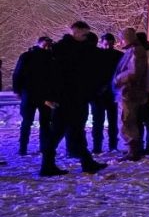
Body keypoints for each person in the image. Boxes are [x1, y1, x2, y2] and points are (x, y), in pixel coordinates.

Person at [41, 21, 108, 176]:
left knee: (71, 131)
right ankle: (50, 165)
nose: (86, 37)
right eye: (84, 34)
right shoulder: (65, 50)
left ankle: (85, 162)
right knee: (62, 131)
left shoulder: (65, 49)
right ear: (76, 31)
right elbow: (56, 75)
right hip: (68, 98)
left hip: (74, 97)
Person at [12, 36, 53, 156]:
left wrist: (17, 90)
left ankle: (23, 148)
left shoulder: (27, 56)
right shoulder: (50, 57)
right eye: (46, 44)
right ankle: (41, 147)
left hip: (30, 93)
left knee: (29, 121)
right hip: (42, 94)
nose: (47, 47)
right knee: (43, 122)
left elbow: (17, 73)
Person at [113, 28, 148, 162]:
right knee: (126, 121)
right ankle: (131, 149)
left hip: (130, 92)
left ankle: (133, 150)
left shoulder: (136, 51)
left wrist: (119, 78)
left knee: (126, 121)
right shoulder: (131, 51)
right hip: (127, 91)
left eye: (122, 38)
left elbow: (134, 72)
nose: (120, 41)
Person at [91, 33, 123, 154]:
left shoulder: (96, 56)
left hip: (105, 93)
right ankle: (103, 146)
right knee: (102, 121)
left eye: (110, 44)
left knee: (107, 121)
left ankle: (103, 146)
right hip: (105, 93)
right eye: (106, 44)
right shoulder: (118, 56)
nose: (108, 47)